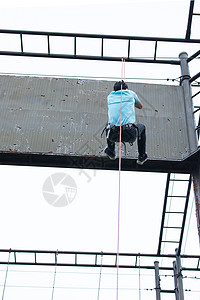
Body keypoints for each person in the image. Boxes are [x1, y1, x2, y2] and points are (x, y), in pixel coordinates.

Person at [104, 80, 148, 165]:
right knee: (142, 127)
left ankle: (111, 151)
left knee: (108, 125)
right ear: (126, 88)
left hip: (113, 135)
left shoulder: (110, 96)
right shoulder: (131, 93)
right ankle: (142, 155)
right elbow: (140, 106)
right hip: (129, 133)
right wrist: (132, 102)